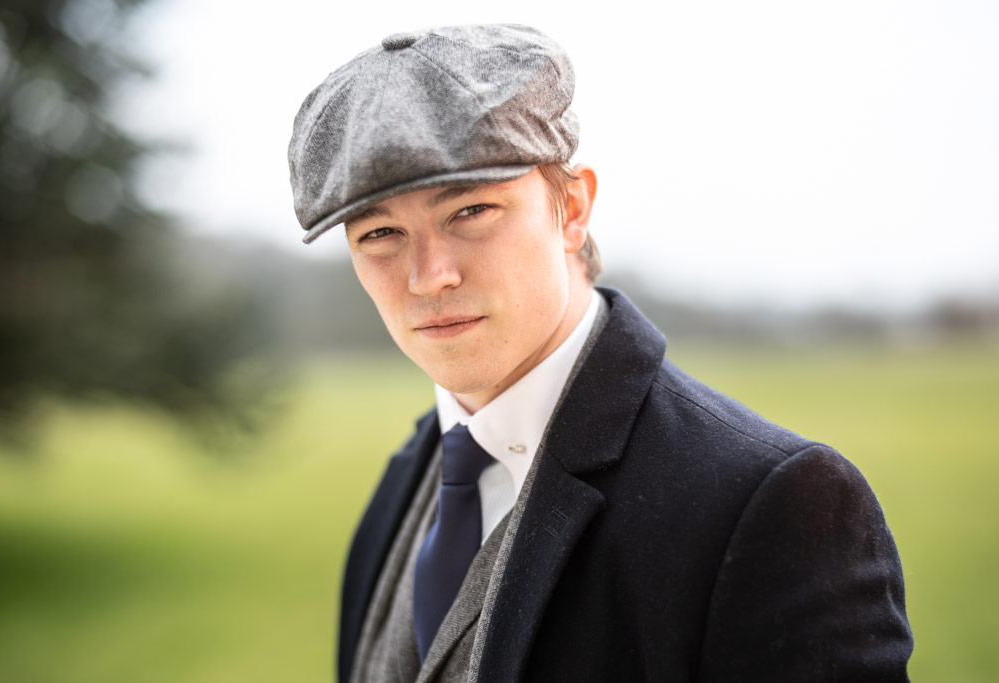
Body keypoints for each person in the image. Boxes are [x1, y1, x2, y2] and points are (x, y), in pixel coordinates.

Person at [288, 24, 913, 683]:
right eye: (380, 232)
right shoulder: (408, 474)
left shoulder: (775, 505)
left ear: (574, 207)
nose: (428, 274)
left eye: (471, 211)